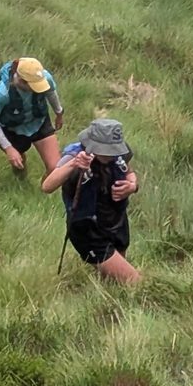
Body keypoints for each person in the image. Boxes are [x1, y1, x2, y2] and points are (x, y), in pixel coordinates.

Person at [43, 116, 141, 283]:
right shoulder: (73, 156)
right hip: (88, 230)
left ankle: (102, 297)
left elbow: (129, 172)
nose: (110, 155)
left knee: (113, 282)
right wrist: (74, 164)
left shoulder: (120, 154)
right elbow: (47, 186)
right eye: (106, 150)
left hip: (116, 222)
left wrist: (132, 186)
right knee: (134, 281)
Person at [0, 56, 64, 183]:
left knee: (55, 168)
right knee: (19, 165)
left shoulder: (44, 78)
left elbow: (51, 93)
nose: (38, 88)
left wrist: (59, 113)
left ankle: (43, 190)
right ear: (21, 81)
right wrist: (9, 149)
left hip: (39, 122)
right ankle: (21, 182)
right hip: (13, 129)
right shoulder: (2, 93)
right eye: (34, 86)